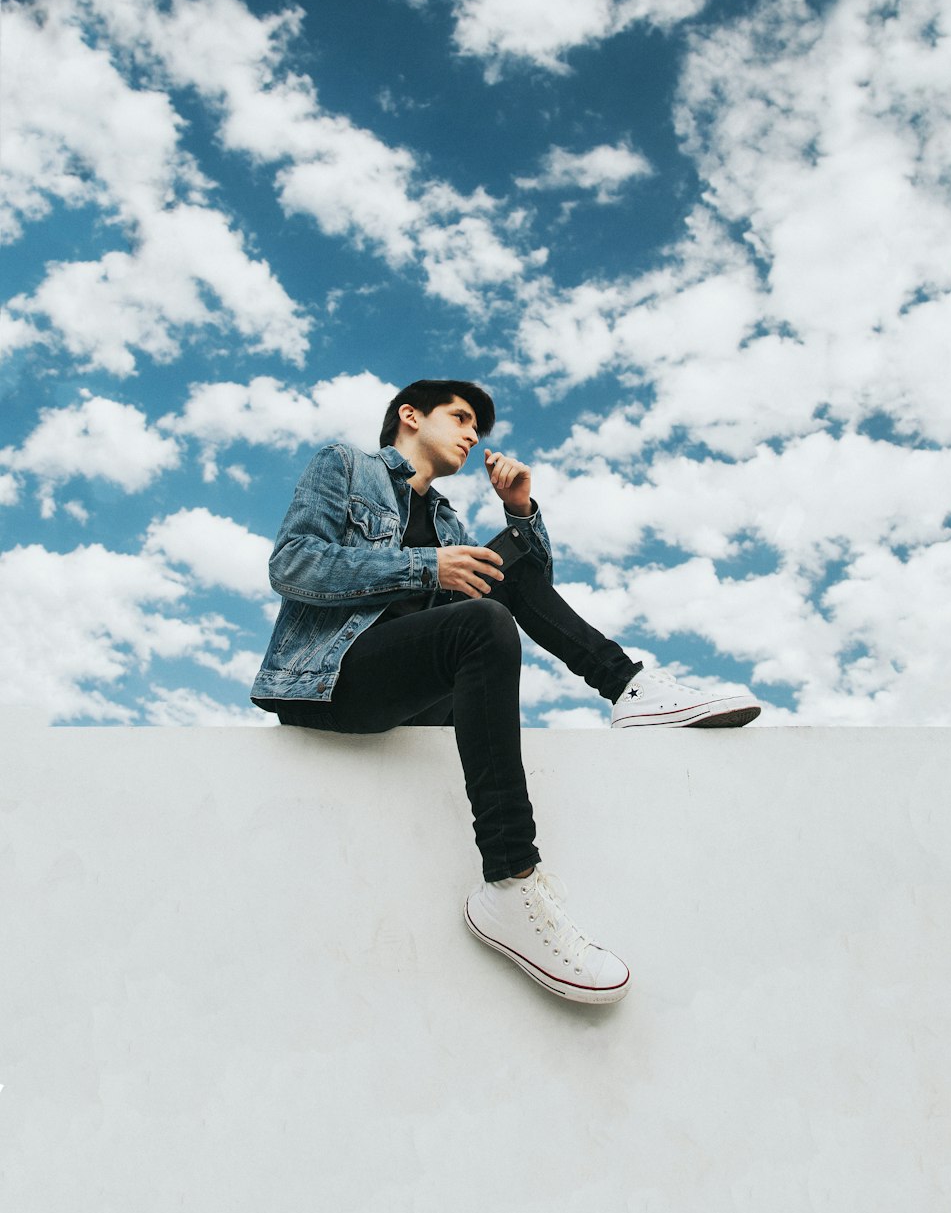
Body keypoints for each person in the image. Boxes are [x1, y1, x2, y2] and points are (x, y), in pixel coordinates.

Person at [251, 378, 760, 1006]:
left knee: (504, 565)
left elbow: (530, 591)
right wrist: (426, 567)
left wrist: (520, 514)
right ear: (410, 416)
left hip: (412, 694)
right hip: (329, 680)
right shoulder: (346, 467)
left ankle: (630, 688)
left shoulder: (447, 520)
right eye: (460, 418)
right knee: (480, 616)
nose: (471, 435)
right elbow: (293, 564)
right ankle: (511, 880)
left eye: (477, 428)